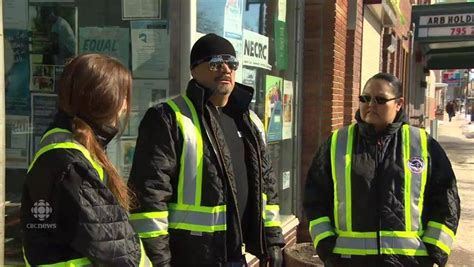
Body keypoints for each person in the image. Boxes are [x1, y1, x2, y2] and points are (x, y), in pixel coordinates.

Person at [128, 33, 285, 266]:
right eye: (215, 62)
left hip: (236, 257)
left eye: (231, 63)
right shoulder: (168, 118)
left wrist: (272, 239)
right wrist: (158, 261)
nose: (225, 68)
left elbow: (267, 185)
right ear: (194, 70)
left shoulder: (249, 121)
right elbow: (149, 199)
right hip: (189, 259)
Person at [304, 72, 460, 267]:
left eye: (380, 99)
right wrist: (327, 250)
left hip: (409, 262)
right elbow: (315, 198)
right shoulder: (337, 143)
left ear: (399, 104)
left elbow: (446, 202)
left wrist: (434, 254)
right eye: (365, 98)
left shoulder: (422, 145)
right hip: (348, 262)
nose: (370, 105)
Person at [21, 54, 151, 266]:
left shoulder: (67, 149)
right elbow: (117, 253)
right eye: (123, 97)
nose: (126, 107)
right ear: (106, 99)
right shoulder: (71, 163)